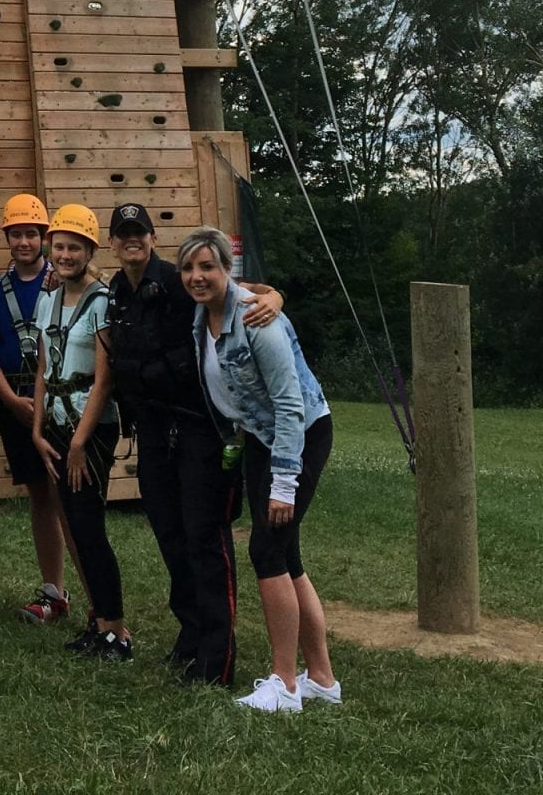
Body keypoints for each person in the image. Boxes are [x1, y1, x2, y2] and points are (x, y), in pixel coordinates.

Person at [101, 201, 279, 686]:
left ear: (152, 238)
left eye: (140, 232)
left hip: (202, 429)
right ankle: (191, 634)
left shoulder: (180, 280)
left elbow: (239, 290)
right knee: (169, 536)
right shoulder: (117, 290)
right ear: (113, 243)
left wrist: (275, 295)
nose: (132, 240)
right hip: (154, 434)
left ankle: (217, 661)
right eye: (123, 234)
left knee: (205, 539)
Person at [180, 227, 340, 713]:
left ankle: (285, 684)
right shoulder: (200, 314)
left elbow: (291, 405)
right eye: (188, 267)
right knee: (286, 556)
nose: (197, 276)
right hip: (255, 438)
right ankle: (323, 680)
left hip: (297, 437)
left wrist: (285, 484)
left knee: (266, 551)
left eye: (208, 266)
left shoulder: (256, 317)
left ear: (227, 269)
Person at [30, 205, 131, 661]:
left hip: (87, 429)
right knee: (72, 522)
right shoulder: (47, 298)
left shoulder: (102, 302)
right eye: (59, 246)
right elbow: (42, 365)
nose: (64, 255)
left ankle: (116, 628)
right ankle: (97, 619)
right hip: (53, 422)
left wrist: (78, 443)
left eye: (74, 247)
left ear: (89, 251)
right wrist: (36, 428)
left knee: (89, 526)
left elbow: (105, 378)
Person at [0, 195, 72, 625]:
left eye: (31, 234)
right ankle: (52, 588)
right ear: (7, 238)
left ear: (43, 238)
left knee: (66, 496)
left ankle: (92, 591)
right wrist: (11, 400)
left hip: (56, 400)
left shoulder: (63, 283)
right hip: (13, 400)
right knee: (39, 494)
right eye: (16, 234)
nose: (23, 241)